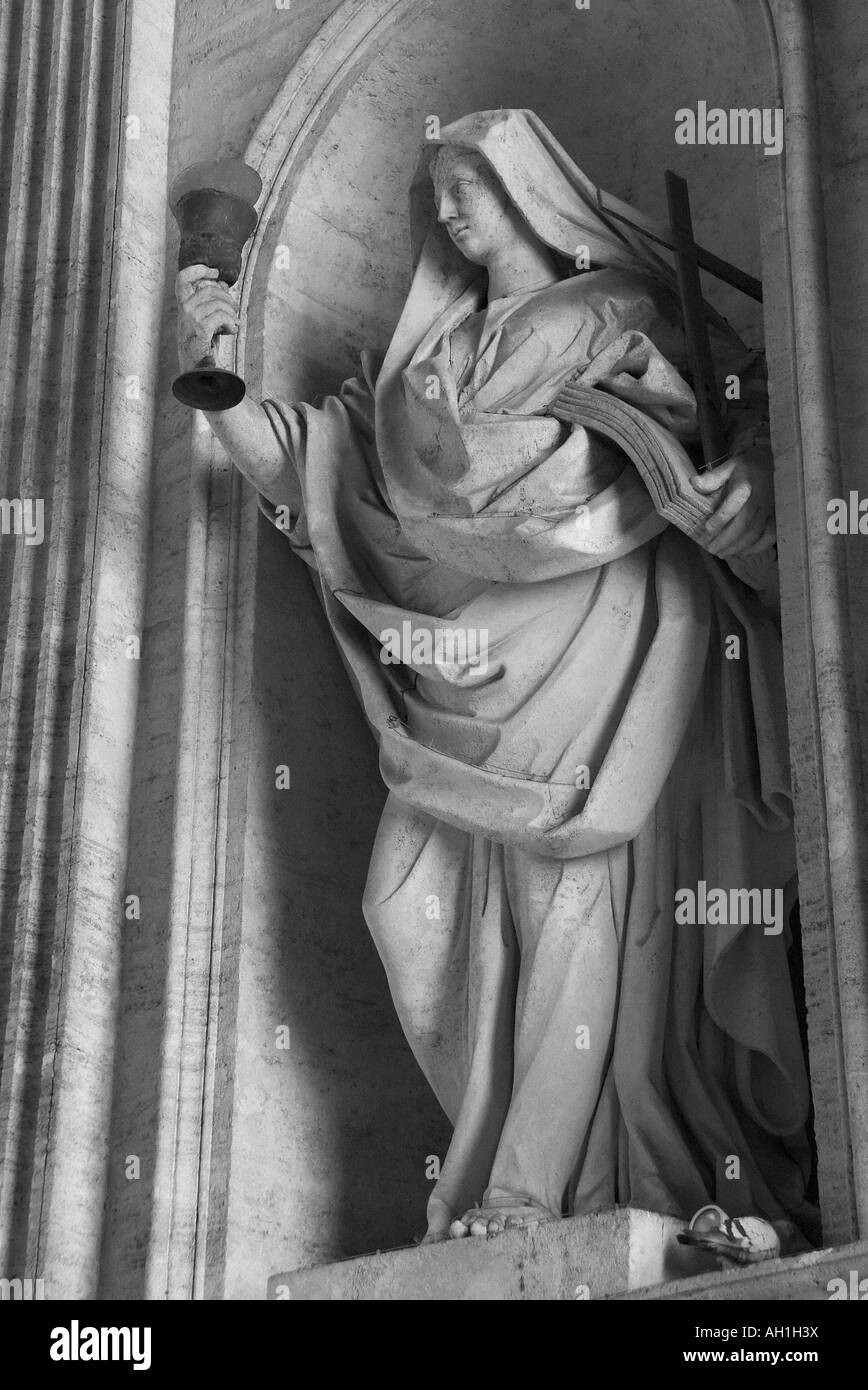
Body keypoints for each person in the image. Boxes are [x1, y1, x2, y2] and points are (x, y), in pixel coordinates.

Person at [175, 109, 812, 1246]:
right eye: (439, 187)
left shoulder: (622, 313)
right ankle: (512, 1176)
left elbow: (746, 442)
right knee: (420, 908)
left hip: (615, 647)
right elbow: (327, 477)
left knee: (589, 906)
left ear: (531, 188)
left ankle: (548, 1193)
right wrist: (219, 384)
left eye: (469, 179)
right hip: (465, 670)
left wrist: (740, 490)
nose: (451, 207)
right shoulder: (431, 366)